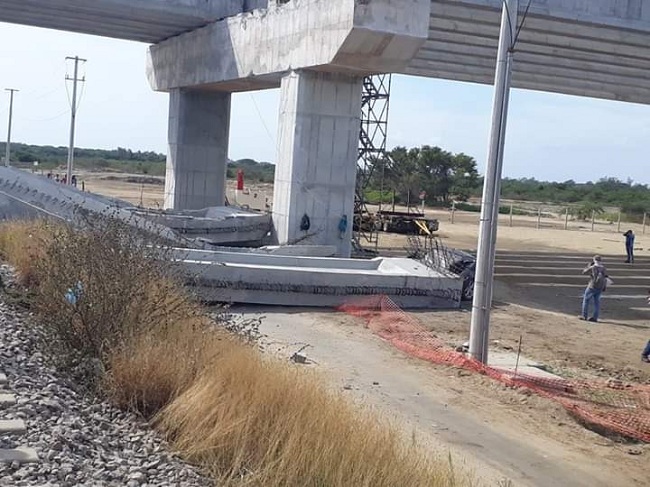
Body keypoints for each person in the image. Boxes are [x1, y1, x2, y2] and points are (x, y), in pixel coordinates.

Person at [580, 255, 609, 323]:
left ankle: (584, 315)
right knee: (597, 302)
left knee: (586, 300)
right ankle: (595, 317)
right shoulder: (603, 268)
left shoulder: (593, 267)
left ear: (594, 260)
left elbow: (584, 272)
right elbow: (606, 278)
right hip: (600, 287)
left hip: (592, 286)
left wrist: (588, 266)